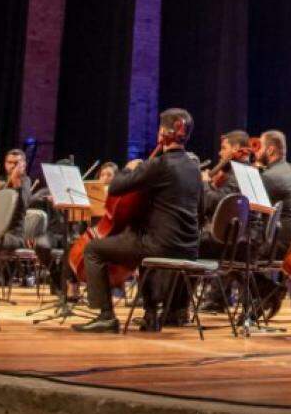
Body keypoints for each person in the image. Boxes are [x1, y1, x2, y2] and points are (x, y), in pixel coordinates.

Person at [73, 108, 202, 333]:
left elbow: (116, 186)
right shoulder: (193, 167)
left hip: (160, 246)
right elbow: (199, 209)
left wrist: (130, 168)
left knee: (93, 249)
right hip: (189, 247)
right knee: (138, 240)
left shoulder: (158, 165)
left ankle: (106, 316)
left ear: (162, 133)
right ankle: (150, 314)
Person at [257, 130, 291, 256]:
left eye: (260, 147)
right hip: (290, 242)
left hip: (277, 245)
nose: (257, 152)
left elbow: (252, 210)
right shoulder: (288, 170)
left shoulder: (270, 176)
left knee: (232, 245)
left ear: (270, 150)